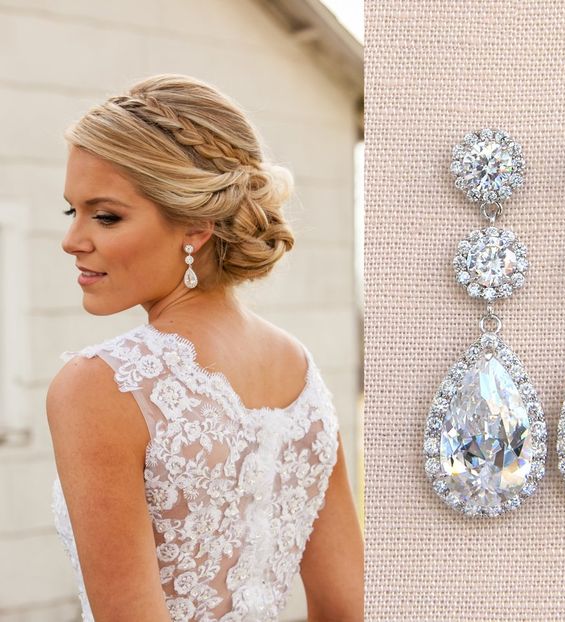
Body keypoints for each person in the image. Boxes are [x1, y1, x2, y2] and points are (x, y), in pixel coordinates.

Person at [46, 74, 364, 622]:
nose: (73, 240)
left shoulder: (103, 384)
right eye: (71, 211)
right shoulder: (299, 371)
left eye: (105, 215)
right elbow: (351, 606)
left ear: (195, 225)